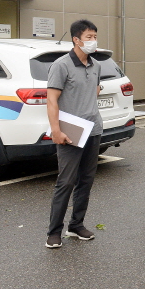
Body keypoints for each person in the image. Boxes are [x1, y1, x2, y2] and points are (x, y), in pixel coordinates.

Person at [45, 19, 103, 248]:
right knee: (66, 181)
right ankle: (54, 231)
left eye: (95, 36)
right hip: (70, 131)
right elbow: (52, 100)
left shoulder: (96, 65)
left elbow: (94, 90)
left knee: (86, 181)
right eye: (89, 37)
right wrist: (56, 130)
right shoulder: (61, 65)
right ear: (76, 40)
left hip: (93, 129)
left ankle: (76, 225)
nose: (93, 41)